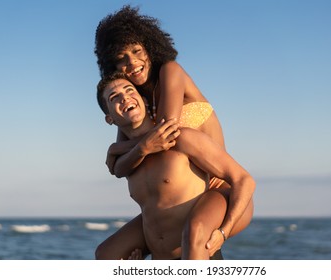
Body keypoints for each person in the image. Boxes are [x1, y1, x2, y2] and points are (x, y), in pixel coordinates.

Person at [94, 5, 254, 259]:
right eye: (121, 58)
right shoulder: (136, 101)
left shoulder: (170, 71)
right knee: (107, 254)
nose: (132, 62)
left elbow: (163, 134)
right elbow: (120, 168)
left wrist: (117, 149)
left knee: (195, 230)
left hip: (217, 190)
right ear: (112, 65)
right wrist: (126, 152)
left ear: (150, 47)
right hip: (181, 199)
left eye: (137, 51)